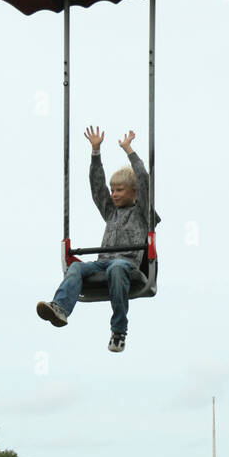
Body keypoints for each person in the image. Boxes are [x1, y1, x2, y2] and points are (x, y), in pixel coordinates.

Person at [36, 126, 158, 354]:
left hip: (127, 264)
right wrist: (95, 152)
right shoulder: (110, 212)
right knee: (76, 269)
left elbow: (142, 178)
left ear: (134, 192)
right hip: (103, 262)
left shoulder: (143, 213)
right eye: (113, 189)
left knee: (116, 269)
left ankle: (118, 329)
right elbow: (96, 187)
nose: (113, 194)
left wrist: (129, 151)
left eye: (119, 189)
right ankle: (60, 308)